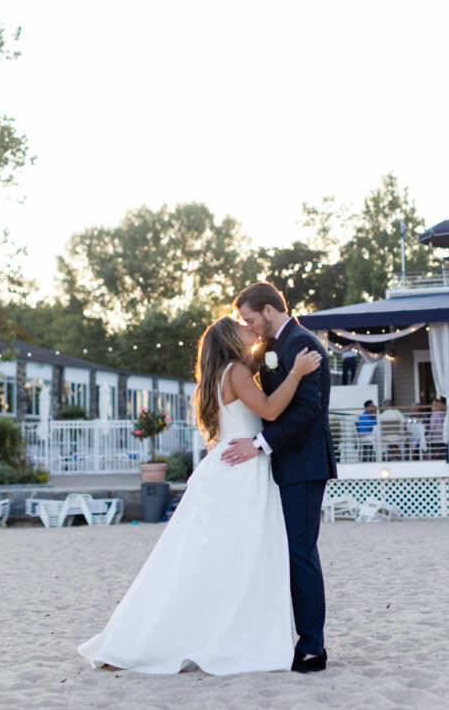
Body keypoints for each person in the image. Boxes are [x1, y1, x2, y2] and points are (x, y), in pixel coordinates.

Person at [79, 315, 321, 674]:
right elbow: (270, 409)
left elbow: (256, 376)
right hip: (241, 472)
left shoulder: (221, 373)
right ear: (229, 338)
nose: (249, 330)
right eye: (242, 327)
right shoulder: (237, 371)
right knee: (240, 558)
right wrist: (297, 372)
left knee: (211, 562)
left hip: (225, 466)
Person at [223, 282, 336, 674]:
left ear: (269, 311)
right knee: (288, 554)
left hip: (303, 465)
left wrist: (260, 443)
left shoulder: (301, 346)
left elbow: (308, 412)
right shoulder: (273, 347)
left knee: (301, 555)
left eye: (251, 319)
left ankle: (312, 648)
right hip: (285, 466)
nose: (250, 327)